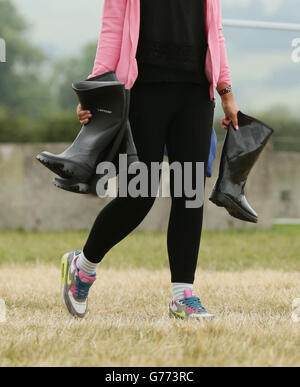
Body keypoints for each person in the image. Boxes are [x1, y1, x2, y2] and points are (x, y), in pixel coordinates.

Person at [61, 0, 239, 320]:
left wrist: (225, 90)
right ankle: (83, 267)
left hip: (196, 92)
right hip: (144, 90)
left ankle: (183, 295)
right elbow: (112, 28)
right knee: (137, 196)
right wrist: (96, 90)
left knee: (189, 193)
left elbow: (216, 31)